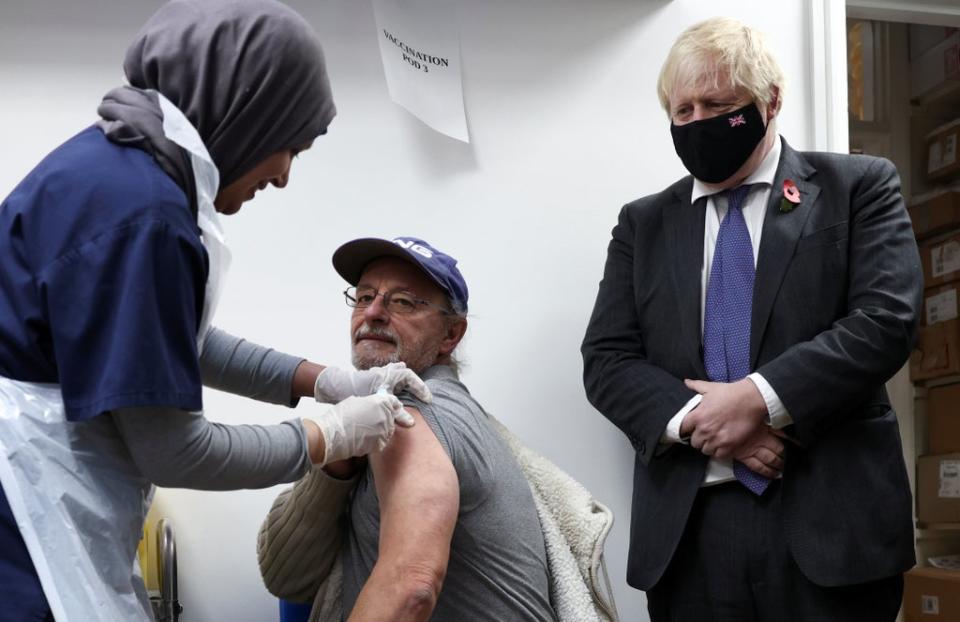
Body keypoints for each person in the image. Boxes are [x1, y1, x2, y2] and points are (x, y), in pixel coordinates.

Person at [0, 2, 431, 621]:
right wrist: (328, 434)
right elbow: (174, 452)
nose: (282, 175)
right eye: (290, 147)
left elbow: (167, 342)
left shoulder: (116, 168)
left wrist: (328, 382)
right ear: (247, 112)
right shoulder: (141, 212)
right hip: (24, 511)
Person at [581, 16, 921, 622]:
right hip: (689, 536)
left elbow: (885, 319)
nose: (696, 122)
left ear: (770, 102)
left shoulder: (857, 186)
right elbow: (607, 361)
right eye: (681, 110)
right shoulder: (644, 224)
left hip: (832, 528)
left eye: (717, 104)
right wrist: (705, 421)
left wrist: (758, 401)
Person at [258, 237, 561, 622]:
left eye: (403, 301)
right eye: (365, 296)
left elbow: (411, 587)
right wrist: (338, 465)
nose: (374, 312)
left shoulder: (412, 410)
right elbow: (285, 578)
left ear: (451, 336)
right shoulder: (369, 416)